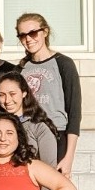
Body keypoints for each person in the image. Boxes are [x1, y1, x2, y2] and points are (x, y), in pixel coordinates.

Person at [17, 13, 81, 179]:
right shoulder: (21, 68)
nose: (28, 39)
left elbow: (74, 111)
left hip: (56, 134)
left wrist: (69, 157)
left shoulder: (63, 63)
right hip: (27, 135)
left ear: (44, 32)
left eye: (33, 33)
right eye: (22, 35)